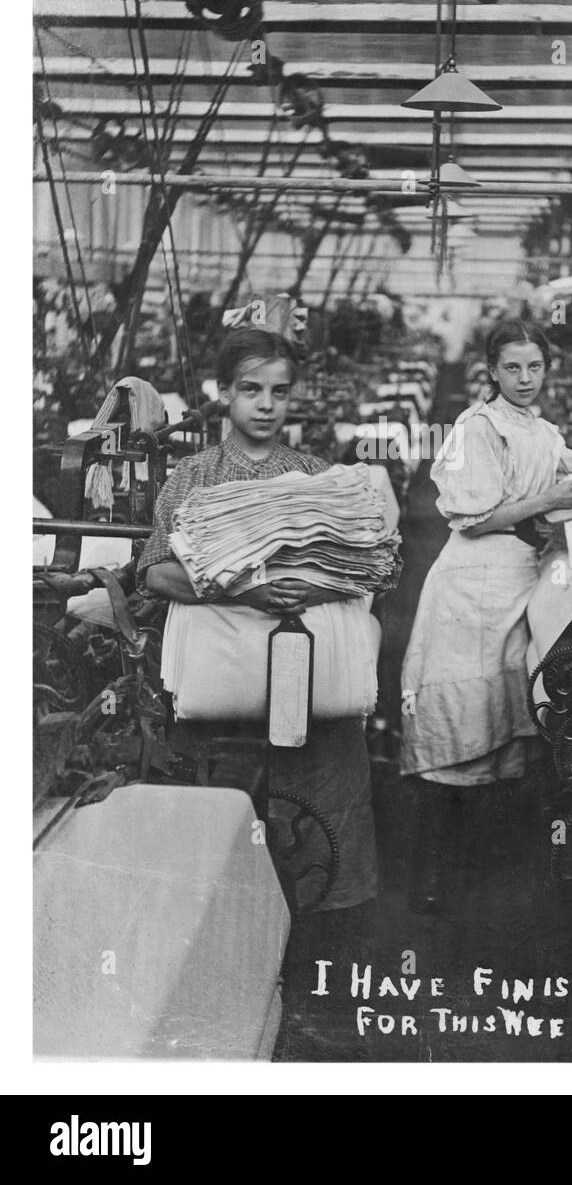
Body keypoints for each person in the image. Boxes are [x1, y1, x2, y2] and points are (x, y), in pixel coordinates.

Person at [137, 325, 378, 913]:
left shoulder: (318, 476)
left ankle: (326, 910)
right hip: (222, 676)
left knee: (324, 778)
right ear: (225, 392)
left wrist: (313, 583)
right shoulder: (194, 477)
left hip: (306, 670)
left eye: (280, 391)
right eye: (251, 390)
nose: (266, 405)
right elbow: (154, 573)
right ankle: (217, 909)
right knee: (224, 811)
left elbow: (363, 569)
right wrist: (244, 589)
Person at [400, 317, 572, 910]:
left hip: (517, 583)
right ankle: (431, 883)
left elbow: (567, 479)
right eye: (512, 367)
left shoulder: (543, 430)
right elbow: (475, 517)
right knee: (457, 722)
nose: (525, 378)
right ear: (492, 370)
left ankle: (480, 886)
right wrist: (553, 498)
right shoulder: (474, 429)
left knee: (502, 722)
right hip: (470, 587)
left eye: (534, 367)